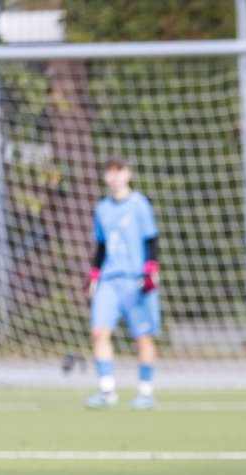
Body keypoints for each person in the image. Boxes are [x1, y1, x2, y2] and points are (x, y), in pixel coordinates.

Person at [83, 155, 161, 410]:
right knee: (99, 332)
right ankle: (107, 390)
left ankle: (146, 391)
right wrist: (94, 272)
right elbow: (102, 245)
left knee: (142, 336)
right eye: (109, 172)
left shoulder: (139, 204)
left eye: (119, 171)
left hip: (135, 281)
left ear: (128, 174)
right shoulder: (102, 209)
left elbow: (151, 239)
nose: (114, 177)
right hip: (109, 280)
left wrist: (150, 268)